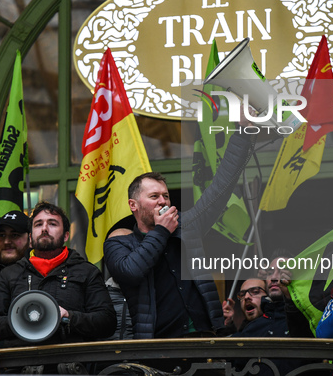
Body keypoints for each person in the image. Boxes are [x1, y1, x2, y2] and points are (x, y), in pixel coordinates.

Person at [104, 130, 256, 339]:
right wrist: (161, 231)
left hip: (203, 335)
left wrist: (242, 133)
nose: (163, 201)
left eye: (166, 196)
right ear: (134, 205)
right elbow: (131, 272)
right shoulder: (120, 243)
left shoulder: (188, 225)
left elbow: (221, 187)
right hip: (157, 343)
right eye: (154, 196)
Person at [0, 201, 116, 347]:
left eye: (52, 224)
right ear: (30, 238)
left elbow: (107, 322)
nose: (44, 229)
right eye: (38, 224)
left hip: (71, 364)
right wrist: (20, 319)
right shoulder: (9, 274)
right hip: (22, 363)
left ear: (66, 236)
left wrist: (69, 317)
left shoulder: (87, 272)